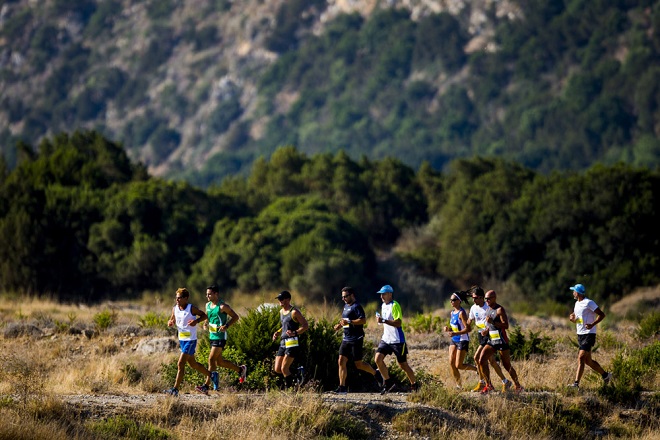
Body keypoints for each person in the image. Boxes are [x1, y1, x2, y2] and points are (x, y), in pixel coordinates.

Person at [196, 284, 247, 394]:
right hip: (212, 335)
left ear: (216, 294)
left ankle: (206, 386)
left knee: (210, 359)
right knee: (219, 362)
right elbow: (209, 317)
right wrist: (205, 323)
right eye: (206, 294)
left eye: (209, 294)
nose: (207, 296)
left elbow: (236, 317)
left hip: (220, 336)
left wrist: (226, 326)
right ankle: (240, 370)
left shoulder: (223, 306)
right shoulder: (207, 305)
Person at [332, 286, 383, 394]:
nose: (343, 299)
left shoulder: (357, 306)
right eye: (342, 297)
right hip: (346, 339)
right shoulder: (345, 306)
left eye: (345, 296)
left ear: (352, 295)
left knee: (358, 364)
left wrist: (350, 322)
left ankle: (375, 373)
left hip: (356, 339)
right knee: (341, 361)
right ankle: (342, 387)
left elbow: (363, 320)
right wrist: (339, 326)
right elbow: (345, 321)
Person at [164, 287, 212, 396]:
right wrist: (170, 322)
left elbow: (204, 315)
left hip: (190, 340)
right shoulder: (175, 308)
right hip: (182, 340)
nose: (177, 300)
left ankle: (175, 389)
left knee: (180, 363)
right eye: (176, 298)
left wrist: (196, 321)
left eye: (179, 298)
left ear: (186, 298)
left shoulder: (191, 308)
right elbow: (172, 319)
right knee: (193, 364)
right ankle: (212, 375)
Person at [373, 285, 418, 393]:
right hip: (386, 339)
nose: (382, 296)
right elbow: (384, 321)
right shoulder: (383, 305)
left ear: (390, 294)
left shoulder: (395, 305)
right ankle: (388, 383)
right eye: (380, 294)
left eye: (383, 294)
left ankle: (414, 385)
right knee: (378, 359)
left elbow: (398, 322)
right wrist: (379, 320)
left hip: (397, 340)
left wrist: (383, 321)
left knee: (403, 364)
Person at [477, 290, 523, 393]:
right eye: (485, 299)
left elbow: (506, 325)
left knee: (506, 365)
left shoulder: (500, 310)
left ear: (494, 298)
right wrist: (486, 331)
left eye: (488, 298)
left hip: (501, 341)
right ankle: (488, 385)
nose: (487, 300)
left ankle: (518, 386)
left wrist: (493, 322)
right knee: (481, 360)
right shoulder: (488, 309)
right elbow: (490, 325)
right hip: (492, 340)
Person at [467, 285, 512, 392]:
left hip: (489, 335)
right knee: (490, 361)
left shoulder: (488, 307)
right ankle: (504, 381)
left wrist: (487, 330)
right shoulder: (473, 308)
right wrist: (466, 323)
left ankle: (485, 383)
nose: (473, 300)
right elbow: (470, 320)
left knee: (477, 358)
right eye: (472, 298)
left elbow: (494, 322)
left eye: (475, 298)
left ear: (481, 297)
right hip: (480, 335)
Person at [568, 283, 612, 388]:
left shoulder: (589, 302)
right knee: (588, 361)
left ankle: (576, 384)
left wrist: (592, 324)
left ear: (577, 293)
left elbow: (602, 314)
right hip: (580, 334)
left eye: (574, 291)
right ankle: (606, 375)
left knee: (581, 357)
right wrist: (573, 320)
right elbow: (581, 320)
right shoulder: (576, 304)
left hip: (589, 334)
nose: (573, 292)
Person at [271, 290, 309, 389]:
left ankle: (290, 390)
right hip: (283, 342)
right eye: (278, 299)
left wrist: (295, 332)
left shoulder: (294, 312)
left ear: (288, 299)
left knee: (284, 368)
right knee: (277, 369)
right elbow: (284, 325)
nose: (280, 301)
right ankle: (298, 372)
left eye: (281, 299)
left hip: (292, 342)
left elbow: (305, 325)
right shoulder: (281, 311)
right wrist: (278, 332)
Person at [443, 291, 478, 389]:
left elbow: (468, 329)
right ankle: (459, 385)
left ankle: (476, 369)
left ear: (459, 301)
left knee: (459, 365)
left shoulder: (462, 313)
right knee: (451, 362)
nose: (451, 302)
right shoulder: (452, 313)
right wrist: (449, 329)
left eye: (453, 300)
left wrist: (455, 333)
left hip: (463, 340)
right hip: (454, 339)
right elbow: (455, 328)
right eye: (450, 300)